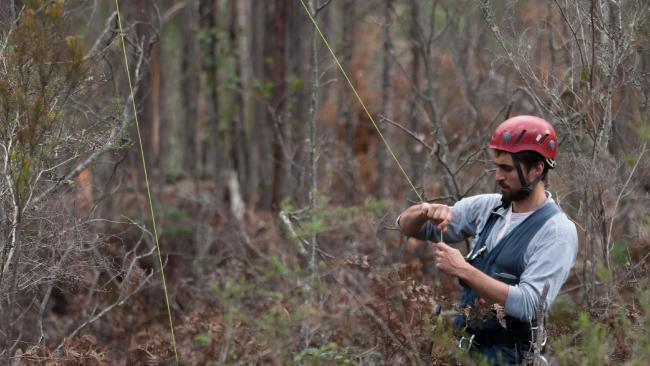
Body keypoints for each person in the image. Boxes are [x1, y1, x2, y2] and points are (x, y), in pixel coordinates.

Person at [397, 115, 578, 365]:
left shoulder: (556, 232)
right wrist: (425, 210)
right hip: (466, 352)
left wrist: (462, 269)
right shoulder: (488, 208)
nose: (497, 177)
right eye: (497, 167)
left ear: (537, 169)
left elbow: (529, 304)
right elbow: (406, 226)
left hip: (514, 357)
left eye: (507, 169)